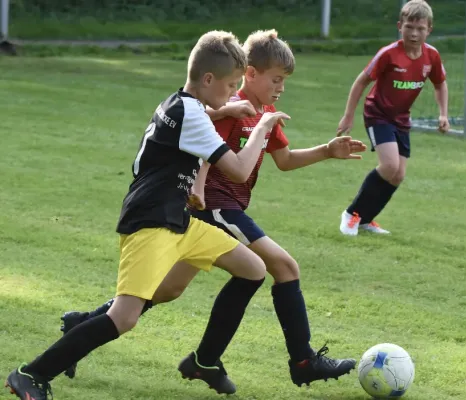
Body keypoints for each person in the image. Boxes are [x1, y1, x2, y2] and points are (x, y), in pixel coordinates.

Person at [59, 29, 364, 392]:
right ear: (250, 73)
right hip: (217, 208)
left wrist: (327, 151)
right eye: (276, 79)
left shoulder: (264, 112)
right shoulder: (225, 104)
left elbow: (283, 160)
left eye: (285, 81)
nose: (281, 88)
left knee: (165, 289)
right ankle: (303, 361)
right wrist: (200, 185)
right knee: (283, 267)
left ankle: (85, 323)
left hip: (223, 210)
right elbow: (202, 143)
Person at [5, 30, 291, 399]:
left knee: (252, 269)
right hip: (152, 221)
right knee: (123, 317)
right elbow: (237, 168)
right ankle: (31, 374)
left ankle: (206, 360)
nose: (233, 92)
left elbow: (200, 114)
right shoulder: (193, 117)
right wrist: (263, 127)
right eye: (231, 85)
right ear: (208, 79)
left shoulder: (179, 103)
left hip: (179, 220)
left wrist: (225, 109)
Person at [337, 0, 449, 236]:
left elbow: (440, 84)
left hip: (401, 119)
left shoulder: (432, 57)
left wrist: (443, 114)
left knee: (398, 175)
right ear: (400, 26)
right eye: (410, 27)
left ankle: (366, 220)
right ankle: (351, 214)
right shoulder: (389, 54)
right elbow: (361, 81)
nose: (414, 33)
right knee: (389, 166)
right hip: (377, 113)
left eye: (420, 28)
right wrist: (348, 115)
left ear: (429, 30)